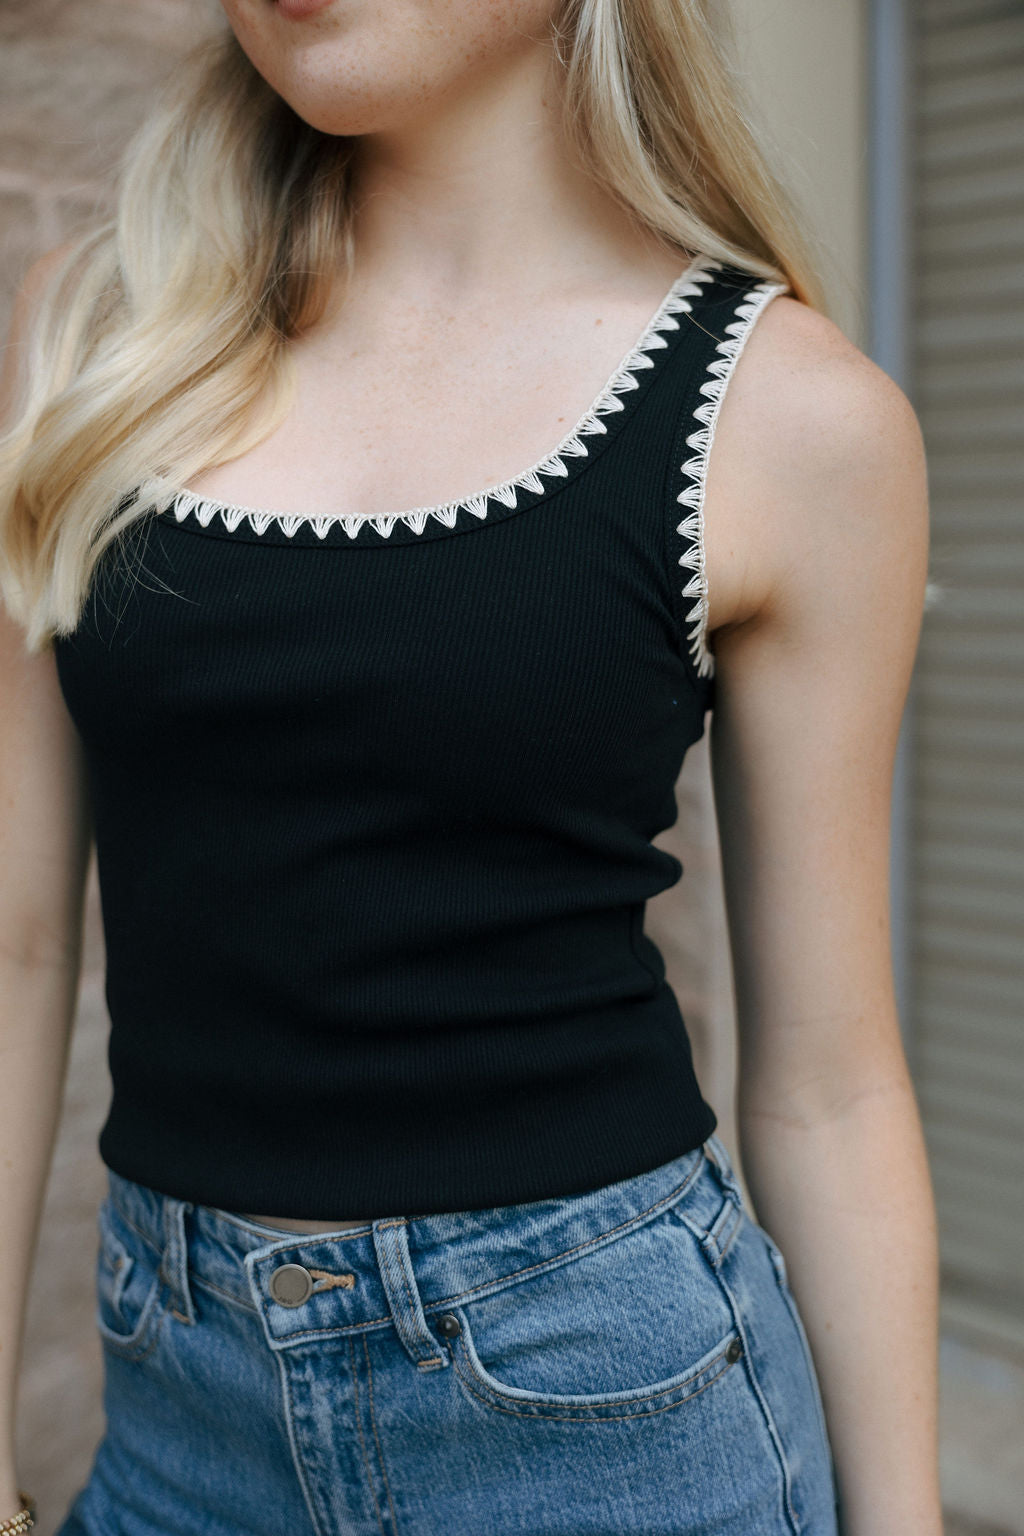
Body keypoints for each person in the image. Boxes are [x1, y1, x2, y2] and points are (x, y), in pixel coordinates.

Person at [0, 1, 940, 1532]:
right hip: (180, 1424)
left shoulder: (793, 419)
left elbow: (831, 1086)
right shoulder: (94, 336)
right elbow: (17, 940)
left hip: (608, 1414)